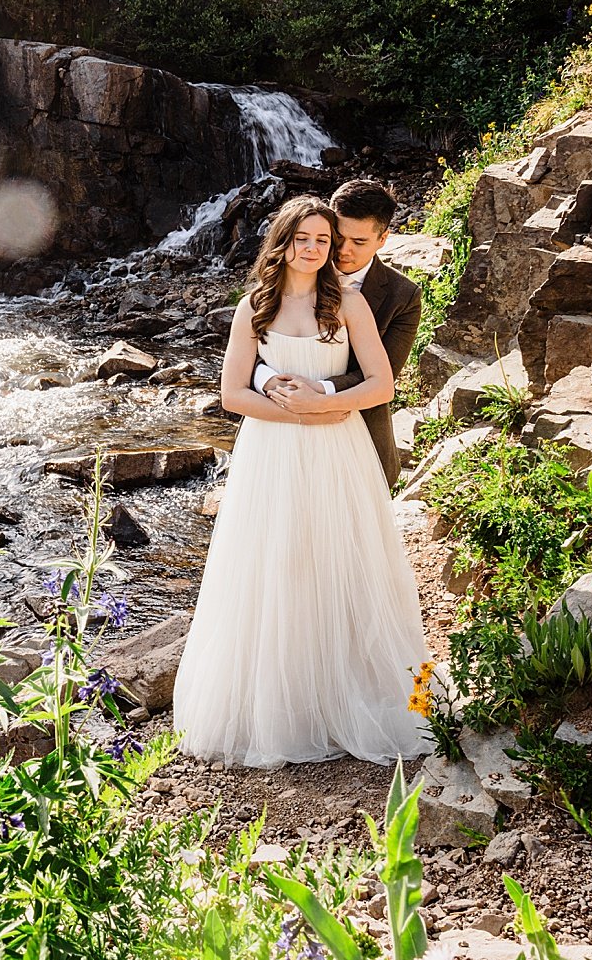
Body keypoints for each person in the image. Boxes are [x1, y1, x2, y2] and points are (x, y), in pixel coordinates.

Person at [172, 195, 430, 768]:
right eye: (303, 239)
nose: (314, 249)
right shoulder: (253, 309)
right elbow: (232, 393)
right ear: (282, 242)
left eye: (323, 240)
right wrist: (294, 412)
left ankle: (349, 692)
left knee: (342, 560)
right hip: (272, 450)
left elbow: (382, 386)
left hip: (340, 449)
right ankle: (284, 706)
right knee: (276, 562)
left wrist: (325, 403)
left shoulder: (351, 305)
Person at [253, 179, 421, 488]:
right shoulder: (289, 272)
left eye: (358, 242)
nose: (343, 251)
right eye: (338, 237)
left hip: (359, 440)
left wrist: (317, 392)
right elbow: (250, 351)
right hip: (280, 438)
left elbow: (382, 375)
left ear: (383, 238)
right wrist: (267, 381)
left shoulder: (402, 296)